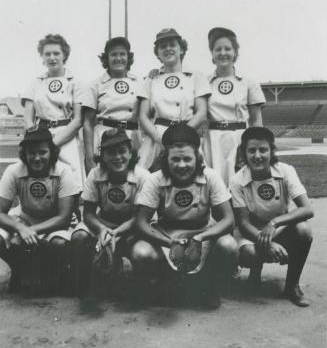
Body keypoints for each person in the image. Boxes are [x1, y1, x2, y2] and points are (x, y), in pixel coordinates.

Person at [134, 123, 237, 308]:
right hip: (167, 233)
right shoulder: (155, 178)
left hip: (202, 232)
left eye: (187, 159)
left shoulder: (211, 176)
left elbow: (229, 220)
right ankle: (162, 282)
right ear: (166, 158)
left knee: (228, 245)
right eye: (175, 159)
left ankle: (210, 284)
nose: (182, 165)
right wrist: (168, 243)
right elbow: (141, 222)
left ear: (197, 157)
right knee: (141, 252)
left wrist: (200, 238)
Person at [229, 127, 314, 307]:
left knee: (304, 230)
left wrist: (274, 223)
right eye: (252, 150)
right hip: (252, 231)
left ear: (272, 151)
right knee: (250, 254)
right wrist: (267, 243)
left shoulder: (285, 170)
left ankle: (292, 286)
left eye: (263, 150)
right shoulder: (237, 180)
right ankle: (255, 273)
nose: (257, 155)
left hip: (280, 226)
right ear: (244, 152)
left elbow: (307, 209)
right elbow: (243, 223)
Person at [70, 128, 148, 298]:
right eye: (110, 152)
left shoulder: (142, 176)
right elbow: (88, 213)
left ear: (130, 152)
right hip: (104, 222)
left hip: (133, 226)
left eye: (122, 151)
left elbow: (140, 217)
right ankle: (82, 284)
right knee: (78, 237)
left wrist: (117, 233)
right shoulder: (95, 174)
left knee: (141, 252)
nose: (117, 157)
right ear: (103, 156)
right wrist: (101, 230)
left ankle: (141, 285)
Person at [0, 127, 78, 294]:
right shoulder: (14, 170)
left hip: (55, 222)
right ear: (24, 153)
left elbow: (64, 218)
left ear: (52, 151)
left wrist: (29, 231)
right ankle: (20, 270)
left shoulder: (64, 171)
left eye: (42, 152)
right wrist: (20, 228)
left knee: (58, 245)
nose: (36, 158)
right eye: (31, 152)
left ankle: (53, 271)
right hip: (26, 218)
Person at [137, 28, 211, 169]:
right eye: (163, 46)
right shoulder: (151, 78)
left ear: (181, 49)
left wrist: (180, 136)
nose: (168, 49)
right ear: (158, 53)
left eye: (172, 45)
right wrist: (160, 139)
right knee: (145, 179)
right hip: (156, 138)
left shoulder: (196, 76)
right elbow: (143, 116)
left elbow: (201, 113)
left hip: (187, 135)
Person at [22, 33, 84, 193]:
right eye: (47, 54)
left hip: (66, 134)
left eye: (56, 53)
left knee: (71, 176)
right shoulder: (35, 82)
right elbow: (28, 119)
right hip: (40, 135)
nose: (52, 57)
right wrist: (38, 140)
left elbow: (78, 120)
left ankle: (72, 214)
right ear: (42, 57)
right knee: (39, 176)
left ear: (64, 55)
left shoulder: (75, 81)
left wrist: (54, 143)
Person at [203, 27, 265, 185]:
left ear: (235, 52)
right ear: (212, 53)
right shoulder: (204, 82)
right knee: (215, 186)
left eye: (227, 48)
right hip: (213, 141)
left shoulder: (248, 82)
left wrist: (254, 146)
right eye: (218, 49)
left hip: (239, 139)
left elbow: (256, 120)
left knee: (240, 185)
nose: (223, 53)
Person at [82, 37, 140, 175]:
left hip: (131, 137)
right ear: (106, 58)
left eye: (122, 54)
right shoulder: (95, 85)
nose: (118, 58)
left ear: (128, 57)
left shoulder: (140, 82)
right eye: (113, 54)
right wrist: (89, 157)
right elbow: (88, 122)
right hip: (104, 136)